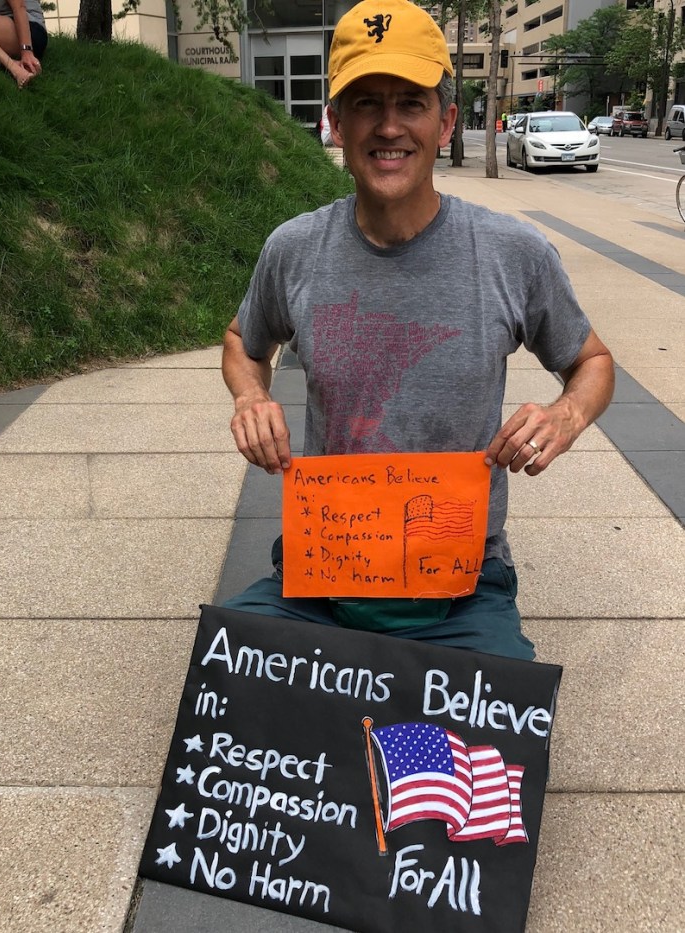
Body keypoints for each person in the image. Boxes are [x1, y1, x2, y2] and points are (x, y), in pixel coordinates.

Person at [221, 0, 614, 661]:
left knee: (492, 741)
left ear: (446, 122)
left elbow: (591, 361)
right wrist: (249, 397)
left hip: (461, 579)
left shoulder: (510, 252)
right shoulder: (293, 248)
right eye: (366, 103)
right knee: (229, 683)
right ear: (336, 123)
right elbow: (242, 342)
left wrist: (566, 415)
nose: (388, 126)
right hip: (324, 567)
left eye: (411, 102)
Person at [0, 0, 47, 88]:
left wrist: (26, 51)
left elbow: (19, 7)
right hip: (0, 26)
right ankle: (11, 64)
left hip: (29, 29)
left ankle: (15, 69)